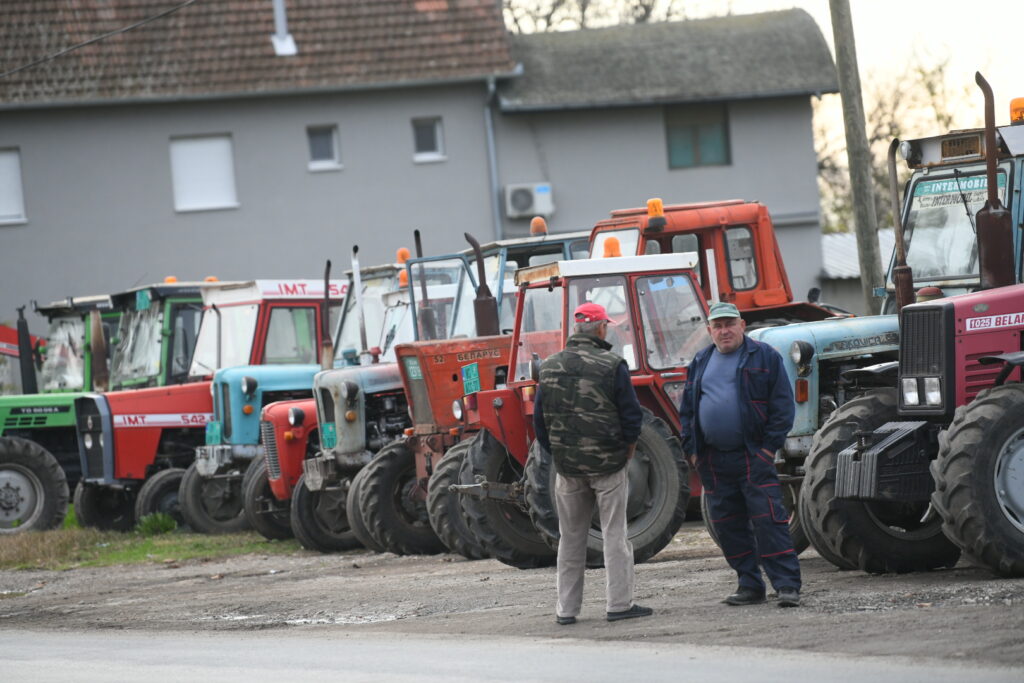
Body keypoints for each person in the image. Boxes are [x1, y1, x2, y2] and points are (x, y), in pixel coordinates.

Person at [533, 302, 653, 625]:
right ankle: (619, 604)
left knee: (570, 538)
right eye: (606, 325)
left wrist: (560, 455)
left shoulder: (549, 367)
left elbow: (540, 424)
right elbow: (631, 417)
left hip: (568, 470)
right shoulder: (612, 364)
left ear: (575, 330)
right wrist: (626, 453)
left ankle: (566, 610)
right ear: (600, 328)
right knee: (614, 534)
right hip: (608, 465)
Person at [678, 302, 802, 607]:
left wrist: (766, 450)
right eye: (717, 326)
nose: (724, 331)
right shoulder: (701, 360)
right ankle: (749, 585)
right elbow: (688, 411)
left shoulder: (765, 357)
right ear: (709, 331)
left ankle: (786, 586)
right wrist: (693, 452)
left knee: (769, 522)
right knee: (729, 526)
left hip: (752, 456)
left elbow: (783, 408)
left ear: (742, 325)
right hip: (714, 461)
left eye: (729, 324)